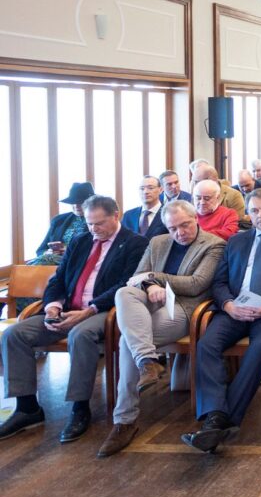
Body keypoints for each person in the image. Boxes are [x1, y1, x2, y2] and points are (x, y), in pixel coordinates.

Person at [0, 195, 149, 443]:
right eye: (90, 223)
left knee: (81, 335)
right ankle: (27, 408)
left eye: (99, 223)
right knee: (14, 334)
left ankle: (80, 408)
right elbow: (58, 279)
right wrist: (52, 306)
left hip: (103, 311)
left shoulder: (135, 243)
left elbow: (126, 285)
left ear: (116, 215)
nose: (94, 229)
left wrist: (89, 310)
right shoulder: (81, 241)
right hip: (67, 308)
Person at [182, 189, 261, 453]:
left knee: (260, 347)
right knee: (206, 345)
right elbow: (219, 282)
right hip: (236, 310)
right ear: (248, 213)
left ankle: (219, 421)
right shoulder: (236, 242)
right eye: (254, 211)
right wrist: (229, 305)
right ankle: (217, 414)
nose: (260, 215)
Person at [98, 201, 225, 457]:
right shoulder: (157, 242)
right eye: (173, 228)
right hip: (150, 303)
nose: (179, 233)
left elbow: (196, 284)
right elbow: (135, 277)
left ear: (196, 219)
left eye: (185, 225)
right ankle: (147, 361)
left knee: (127, 343)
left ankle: (124, 421)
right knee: (124, 292)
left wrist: (155, 279)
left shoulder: (214, 244)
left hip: (184, 308)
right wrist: (148, 285)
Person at [29, 182, 93, 267]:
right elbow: (40, 250)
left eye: (80, 202)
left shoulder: (97, 221)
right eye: (73, 202)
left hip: (79, 265)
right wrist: (47, 252)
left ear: (91, 202)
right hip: (52, 265)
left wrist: (70, 251)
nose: (76, 205)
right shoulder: (59, 220)